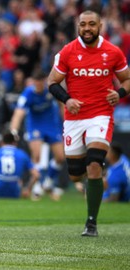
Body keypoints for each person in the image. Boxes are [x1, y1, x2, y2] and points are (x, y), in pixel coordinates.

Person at [47, 10, 130, 236]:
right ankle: (87, 182)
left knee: (94, 164)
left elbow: (127, 78)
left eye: (92, 24)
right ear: (78, 26)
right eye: (83, 24)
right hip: (74, 118)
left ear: (100, 25)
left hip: (101, 115)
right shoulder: (68, 51)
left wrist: (120, 92)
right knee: (75, 173)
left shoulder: (112, 52)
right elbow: (52, 82)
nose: (87, 28)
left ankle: (91, 222)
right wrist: (67, 99)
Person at [10, 70, 65, 201]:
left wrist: (66, 123)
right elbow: (19, 113)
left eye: (40, 82)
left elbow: (62, 104)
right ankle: (37, 188)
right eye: (36, 82)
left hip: (52, 125)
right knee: (37, 156)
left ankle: (48, 182)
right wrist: (14, 131)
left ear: (44, 81)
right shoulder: (28, 93)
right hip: (35, 126)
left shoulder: (51, 89)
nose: (38, 85)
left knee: (60, 157)